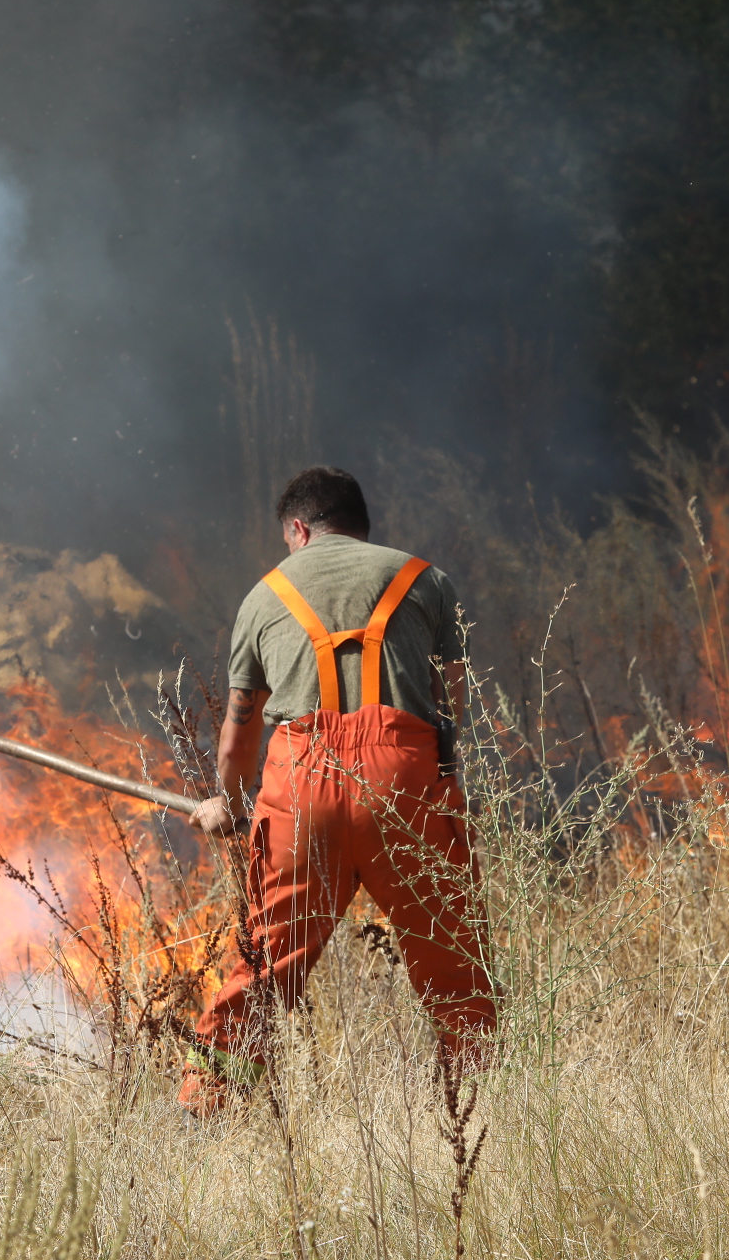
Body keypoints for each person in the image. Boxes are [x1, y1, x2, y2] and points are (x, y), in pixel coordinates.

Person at [180, 466, 497, 1116]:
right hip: (405, 782)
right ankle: (479, 1114)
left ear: (298, 529)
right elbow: (454, 702)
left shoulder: (264, 596)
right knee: (456, 966)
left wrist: (229, 804)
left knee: (266, 966)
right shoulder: (426, 581)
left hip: (300, 792)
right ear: (360, 526)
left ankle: (203, 1112)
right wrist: (436, 781)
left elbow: (240, 734)